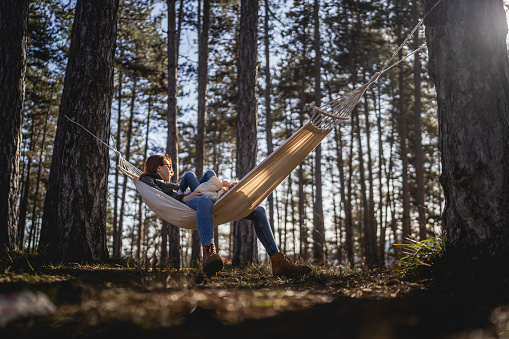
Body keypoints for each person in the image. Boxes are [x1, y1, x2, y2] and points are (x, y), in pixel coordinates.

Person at [139, 154, 312, 277]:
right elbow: (166, 198)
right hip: (188, 204)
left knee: (258, 211)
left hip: (203, 200)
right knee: (204, 201)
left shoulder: (174, 184)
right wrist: (186, 196)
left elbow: (185, 183)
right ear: (157, 167)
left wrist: (193, 188)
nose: (171, 169)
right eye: (167, 165)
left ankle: (278, 261)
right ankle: (209, 253)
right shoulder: (148, 179)